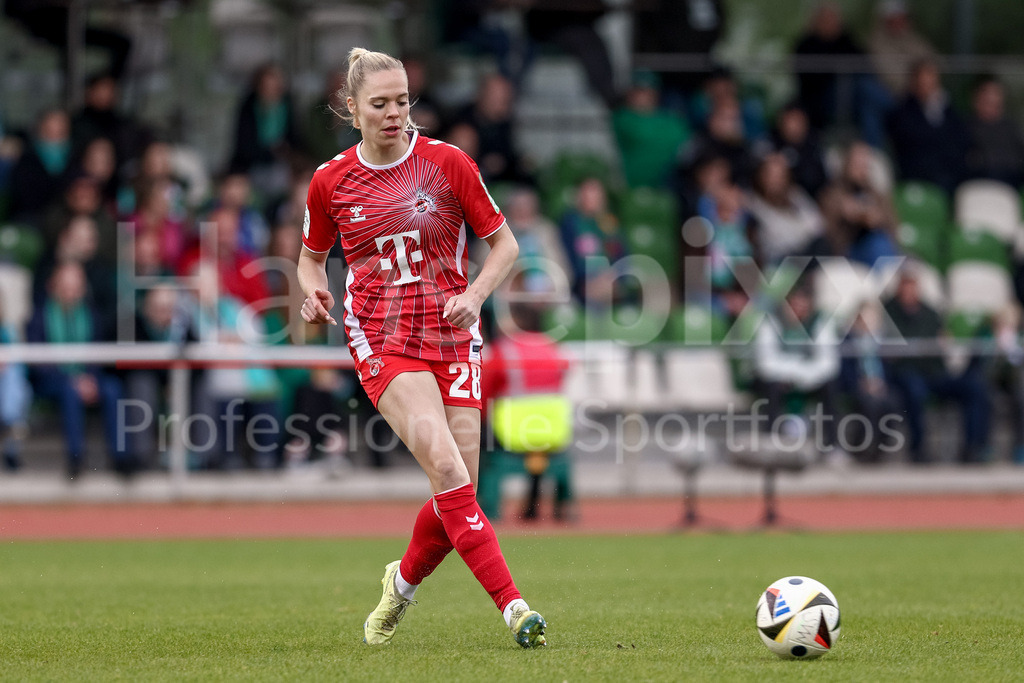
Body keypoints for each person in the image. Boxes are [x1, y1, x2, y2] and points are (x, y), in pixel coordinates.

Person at [297, 48, 546, 648]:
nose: (394, 113)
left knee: (458, 491)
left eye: (403, 101)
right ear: (352, 108)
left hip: (452, 335)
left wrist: (476, 295)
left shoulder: (447, 163)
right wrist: (312, 292)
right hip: (383, 338)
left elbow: (506, 245)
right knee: (448, 469)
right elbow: (310, 259)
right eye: (380, 104)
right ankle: (515, 609)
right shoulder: (331, 180)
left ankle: (401, 585)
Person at [965, 75, 1024, 187]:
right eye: (987, 95)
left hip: (1012, 183)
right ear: (976, 99)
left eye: (996, 94)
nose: (992, 98)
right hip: (979, 184)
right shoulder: (965, 128)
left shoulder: (1011, 128)